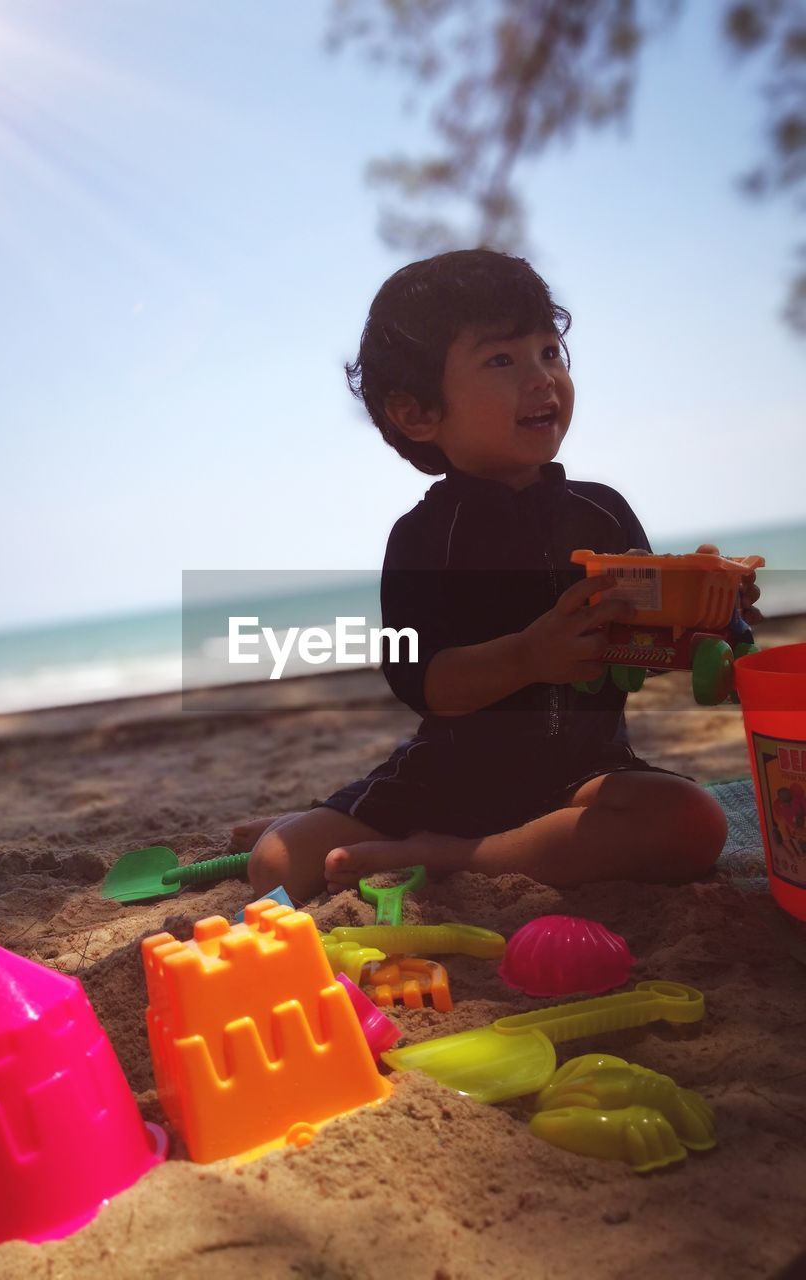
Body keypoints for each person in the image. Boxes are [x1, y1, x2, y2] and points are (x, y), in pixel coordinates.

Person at [239, 249, 761, 902]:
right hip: (448, 776)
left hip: (583, 774)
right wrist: (528, 655)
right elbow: (425, 683)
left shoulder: (602, 513)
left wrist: (714, 621)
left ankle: (451, 857)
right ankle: (356, 826)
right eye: (501, 360)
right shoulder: (423, 539)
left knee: (691, 822)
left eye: (549, 351)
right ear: (418, 414)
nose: (543, 378)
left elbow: (645, 648)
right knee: (276, 865)